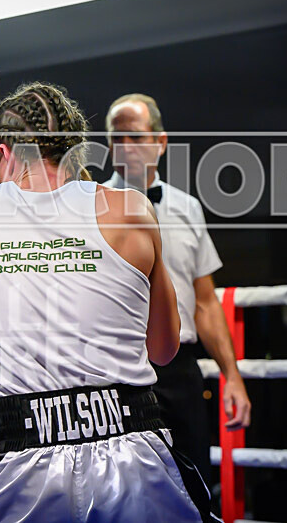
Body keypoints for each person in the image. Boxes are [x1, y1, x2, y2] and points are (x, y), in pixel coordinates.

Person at [0, 82, 219, 521]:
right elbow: (164, 349)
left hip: (26, 463)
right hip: (134, 457)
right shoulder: (132, 208)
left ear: (4, 151)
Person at [102, 93, 251, 480]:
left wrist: (231, 375)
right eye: (116, 138)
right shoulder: (89, 208)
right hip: (119, 368)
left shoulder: (188, 208)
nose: (125, 147)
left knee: (195, 485)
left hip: (182, 370)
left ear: (160, 141)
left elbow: (205, 302)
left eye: (135, 136)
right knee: (125, 490)